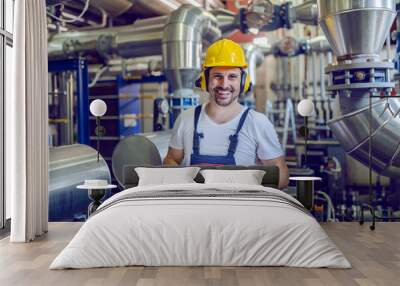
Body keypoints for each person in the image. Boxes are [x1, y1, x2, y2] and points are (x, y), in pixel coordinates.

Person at [163, 38, 289, 189]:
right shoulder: (186, 119)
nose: (224, 84)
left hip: (240, 209)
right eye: (217, 76)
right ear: (205, 80)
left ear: (243, 82)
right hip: (196, 206)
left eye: (232, 76)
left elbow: (281, 174)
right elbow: (172, 159)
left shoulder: (257, 122)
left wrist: (252, 189)